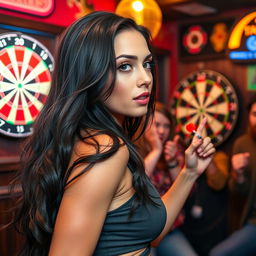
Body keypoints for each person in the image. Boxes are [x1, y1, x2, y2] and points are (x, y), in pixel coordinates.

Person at [11, 11, 215, 256]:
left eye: (147, 64)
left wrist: (189, 172)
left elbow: (150, 236)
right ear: (89, 74)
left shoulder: (95, 138)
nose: (145, 78)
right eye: (125, 66)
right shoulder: (106, 149)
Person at [137, 101, 198, 256]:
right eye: (157, 124)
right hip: (138, 232)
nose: (162, 131)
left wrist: (172, 163)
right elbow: (135, 185)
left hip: (168, 228)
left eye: (166, 126)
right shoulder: (132, 148)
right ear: (144, 124)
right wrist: (156, 150)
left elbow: (188, 191)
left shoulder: (174, 149)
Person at [209, 94, 256, 256]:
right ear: (249, 116)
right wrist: (238, 174)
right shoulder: (242, 144)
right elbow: (239, 193)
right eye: (255, 114)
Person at [181, 150, 229, 256]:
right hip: (189, 230)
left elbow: (218, 183)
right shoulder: (180, 156)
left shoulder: (219, 156)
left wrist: (207, 156)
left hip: (214, 227)